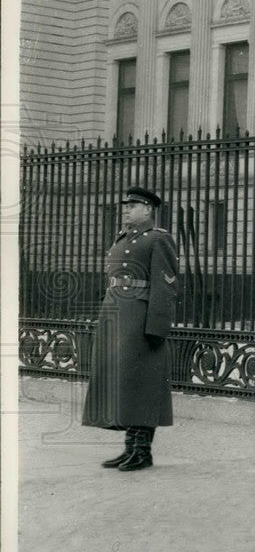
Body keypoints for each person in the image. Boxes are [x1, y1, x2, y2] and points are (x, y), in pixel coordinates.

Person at [82, 186, 179, 471]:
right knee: (125, 383)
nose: (126, 209)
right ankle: (130, 449)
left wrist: (157, 325)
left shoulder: (158, 239)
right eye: (125, 205)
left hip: (140, 318)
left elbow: (166, 285)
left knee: (142, 384)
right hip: (117, 317)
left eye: (132, 205)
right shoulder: (123, 238)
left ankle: (142, 451)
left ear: (148, 209)